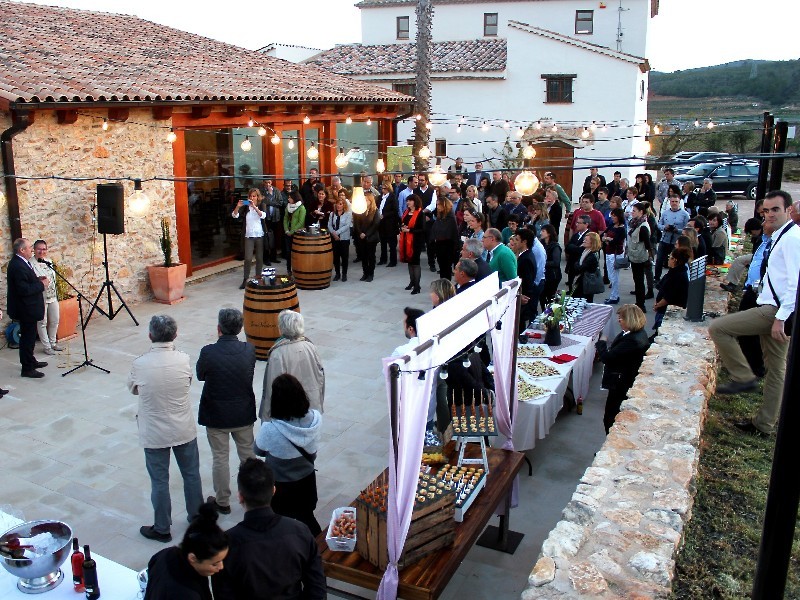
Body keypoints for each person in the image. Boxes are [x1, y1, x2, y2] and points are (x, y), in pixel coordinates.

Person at [709, 191, 799, 435]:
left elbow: (795, 283)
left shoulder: (792, 239)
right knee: (776, 369)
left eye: (775, 209)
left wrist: (780, 318)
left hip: (775, 311)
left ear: (788, 210)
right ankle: (764, 423)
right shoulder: (782, 236)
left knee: (719, 328)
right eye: (766, 211)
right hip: (777, 309)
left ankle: (743, 377)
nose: (769, 215)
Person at [129, 315, 203, 543]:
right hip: (182, 427)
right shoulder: (183, 359)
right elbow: (187, 382)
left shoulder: (140, 364)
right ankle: (197, 519)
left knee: (159, 481)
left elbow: (133, 389)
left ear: (150, 335)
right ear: (175, 335)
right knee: (191, 474)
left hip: (154, 431)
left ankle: (162, 528)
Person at [211, 459, 326, 600]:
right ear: (274, 490)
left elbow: (223, 595)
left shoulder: (226, 545)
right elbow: (317, 588)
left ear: (240, 497)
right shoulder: (300, 531)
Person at [196, 308, 257, 515]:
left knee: (220, 458)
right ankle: (253, 498)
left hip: (217, 414)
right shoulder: (249, 350)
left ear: (219, 328)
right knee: (248, 456)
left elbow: (201, 375)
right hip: (242, 412)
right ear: (240, 328)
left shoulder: (208, 352)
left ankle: (222, 501)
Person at [255, 374, 322, 536]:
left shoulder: (270, 429)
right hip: (307, 481)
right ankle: (319, 546)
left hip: (281, 488)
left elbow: (258, 450)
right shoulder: (315, 419)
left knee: (280, 526)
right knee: (307, 517)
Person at [144, 503, 229, 600]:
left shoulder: (164, 554)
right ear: (193, 558)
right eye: (214, 564)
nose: (221, 567)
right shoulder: (187, 595)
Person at [260, 310, 324, 421]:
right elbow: (321, 377)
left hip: (289, 413)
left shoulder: (278, 353)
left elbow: (272, 387)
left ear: (281, 328)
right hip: (312, 406)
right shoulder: (310, 347)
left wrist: (267, 417)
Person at [595, 304, 650, 434]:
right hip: (622, 379)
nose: (619, 320)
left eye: (622, 318)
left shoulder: (633, 340)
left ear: (630, 320)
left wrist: (602, 342)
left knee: (610, 418)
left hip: (621, 383)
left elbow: (608, 358)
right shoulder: (633, 333)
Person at [7, 238, 49, 378]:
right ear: (22, 250)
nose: (31, 249)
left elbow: (27, 281)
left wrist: (38, 280)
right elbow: (23, 289)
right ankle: (27, 368)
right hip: (25, 309)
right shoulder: (18, 265)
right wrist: (41, 285)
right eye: (29, 247)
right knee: (27, 338)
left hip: (28, 308)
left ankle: (31, 360)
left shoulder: (22, 262)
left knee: (30, 337)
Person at [30, 240, 63, 355]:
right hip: (40, 297)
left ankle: (53, 343)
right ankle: (47, 346)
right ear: (34, 250)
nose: (41, 251)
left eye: (44, 249)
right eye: (39, 249)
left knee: (55, 320)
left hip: (52, 296)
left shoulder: (49, 261)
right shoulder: (30, 264)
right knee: (42, 322)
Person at [232, 189, 267, 289]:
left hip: (259, 235)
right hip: (249, 236)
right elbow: (235, 216)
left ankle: (258, 278)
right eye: (250, 196)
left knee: (259, 258)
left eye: (254, 196)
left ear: (258, 197)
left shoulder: (261, 205)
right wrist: (238, 207)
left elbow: (263, 216)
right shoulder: (246, 207)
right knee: (247, 258)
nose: (252, 198)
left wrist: (255, 207)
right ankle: (245, 279)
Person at [652, 248, 691, 331]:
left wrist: (657, 305)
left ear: (674, 260)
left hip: (667, 310)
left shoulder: (677, 276)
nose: (668, 259)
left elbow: (669, 297)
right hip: (663, 308)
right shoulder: (674, 272)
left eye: (669, 257)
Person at [655, 194, 690, 280]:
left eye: (676, 202)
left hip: (676, 242)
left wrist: (677, 230)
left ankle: (672, 278)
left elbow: (687, 229)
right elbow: (659, 225)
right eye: (672, 201)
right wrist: (664, 227)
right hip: (664, 240)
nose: (674, 203)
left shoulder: (685, 214)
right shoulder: (665, 213)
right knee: (659, 260)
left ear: (679, 202)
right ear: (670, 202)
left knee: (675, 261)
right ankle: (656, 278)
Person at [627, 202, 653, 311]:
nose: (632, 212)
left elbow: (647, 244)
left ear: (641, 212)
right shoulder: (636, 223)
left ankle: (641, 304)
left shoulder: (643, 226)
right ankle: (639, 302)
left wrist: (649, 256)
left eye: (634, 211)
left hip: (640, 257)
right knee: (637, 280)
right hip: (635, 256)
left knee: (639, 281)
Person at [511, 228, 538, 331]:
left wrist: (521, 296)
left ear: (524, 242)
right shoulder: (525, 255)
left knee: (519, 326)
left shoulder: (526, 258)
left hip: (523, 299)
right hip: (522, 298)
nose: (514, 242)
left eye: (517, 240)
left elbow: (527, 282)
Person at [353, 190, 381, 282]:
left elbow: (376, 224)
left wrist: (366, 234)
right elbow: (356, 223)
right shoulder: (359, 210)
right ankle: (365, 273)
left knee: (371, 256)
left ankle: (370, 274)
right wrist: (360, 233)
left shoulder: (375, 211)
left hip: (371, 237)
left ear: (370, 201)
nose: (364, 202)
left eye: (366, 200)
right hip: (361, 236)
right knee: (363, 256)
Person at [400, 195, 425, 294]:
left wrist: (409, 230)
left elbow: (422, 229)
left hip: (415, 242)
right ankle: (412, 282)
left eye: (410, 201)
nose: (408, 203)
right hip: (406, 240)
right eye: (407, 201)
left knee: (415, 263)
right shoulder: (406, 212)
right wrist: (402, 227)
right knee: (409, 262)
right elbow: (402, 223)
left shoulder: (420, 213)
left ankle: (417, 286)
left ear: (415, 202)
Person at [430, 195, 459, 280]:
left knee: (446, 267)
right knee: (442, 267)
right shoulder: (440, 216)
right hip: (439, 245)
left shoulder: (450, 217)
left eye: (439, 204)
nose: (437, 207)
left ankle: (446, 285)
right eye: (437, 204)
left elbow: (453, 232)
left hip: (448, 246)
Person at [602, 208, 627, 305]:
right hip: (609, 252)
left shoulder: (621, 229)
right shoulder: (612, 225)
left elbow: (616, 241)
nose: (612, 218)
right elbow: (604, 234)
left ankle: (614, 296)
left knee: (614, 276)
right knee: (610, 275)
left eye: (614, 216)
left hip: (616, 254)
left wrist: (608, 239)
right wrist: (607, 239)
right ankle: (613, 295)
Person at [328, 194, 352, 282]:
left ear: (344, 205)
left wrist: (337, 233)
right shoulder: (332, 214)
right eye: (337, 204)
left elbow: (347, 226)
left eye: (340, 204)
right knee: (336, 257)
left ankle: (344, 274)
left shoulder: (348, 214)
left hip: (344, 238)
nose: (338, 205)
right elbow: (329, 225)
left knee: (344, 257)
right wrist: (334, 234)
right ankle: (337, 273)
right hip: (335, 239)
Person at [539, 224, 562, 310]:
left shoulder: (555, 246)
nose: (541, 233)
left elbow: (556, 262)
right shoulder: (541, 244)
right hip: (544, 275)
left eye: (543, 231)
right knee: (541, 296)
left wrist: (542, 263)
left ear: (549, 233)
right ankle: (544, 311)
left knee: (550, 297)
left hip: (552, 276)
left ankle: (550, 313)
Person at [573, 232, 602, 302]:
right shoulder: (585, 251)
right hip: (582, 282)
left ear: (592, 242)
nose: (583, 241)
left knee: (584, 302)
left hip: (586, 284)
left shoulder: (592, 256)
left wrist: (576, 265)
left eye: (586, 240)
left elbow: (579, 268)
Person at [282, 191, 306, 275]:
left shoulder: (301, 208)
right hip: (288, 232)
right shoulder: (287, 207)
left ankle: (298, 269)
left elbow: (301, 222)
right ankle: (289, 269)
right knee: (288, 252)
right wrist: (286, 230)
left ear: (294, 198)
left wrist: (292, 231)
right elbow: (285, 219)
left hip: (297, 233)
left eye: (290, 197)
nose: (288, 199)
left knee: (297, 252)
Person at [378, 179, 400, 267]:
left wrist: (384, 215)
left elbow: (395, 210)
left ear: (388, 189)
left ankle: (393, 261)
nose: (383, 190)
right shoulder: (380, 197)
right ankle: (383, 259)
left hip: (390, 224)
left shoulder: (392, 197)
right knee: (383, 242)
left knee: (392, 244)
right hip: (381, 224)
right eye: (382, 188)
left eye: (384, 188)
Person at [262, 179, 284, 264]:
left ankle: (273, 257)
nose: (267, 184)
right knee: (266, 238)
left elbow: (280, 203)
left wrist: (269, 202)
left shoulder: (276, 190)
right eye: (266, 182)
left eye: (269, 182)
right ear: (264, 183)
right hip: (266, 218)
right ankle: (266, 258)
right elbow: (262, 202)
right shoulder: (262, 191)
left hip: (275, 218)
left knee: (274, 238)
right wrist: (270, 197)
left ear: (271, 182)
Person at [564, 215, 590, 289]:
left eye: (579, 223)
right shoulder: (576, 235)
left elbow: (581, 250)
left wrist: (573, 248)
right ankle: (570, 289)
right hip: (572, 261)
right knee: (571, 278)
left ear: (586, 224)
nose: (577, 224)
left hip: (580, 263)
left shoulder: (588, 236)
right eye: (577, 222)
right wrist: (575, 248)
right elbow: (567, 247)